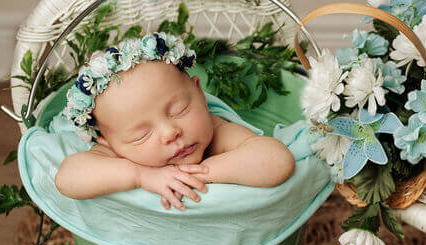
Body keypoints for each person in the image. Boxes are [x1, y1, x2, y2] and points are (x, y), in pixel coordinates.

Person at [56, 32, 296, 210]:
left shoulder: (215, 131)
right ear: (108, 142)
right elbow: (67, 178)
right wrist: (140, 176)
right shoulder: (116, 154)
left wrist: (193, 175)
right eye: (141, 135)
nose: (170, 133)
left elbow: (277, 160)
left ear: (200, 94)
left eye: (179, 110)